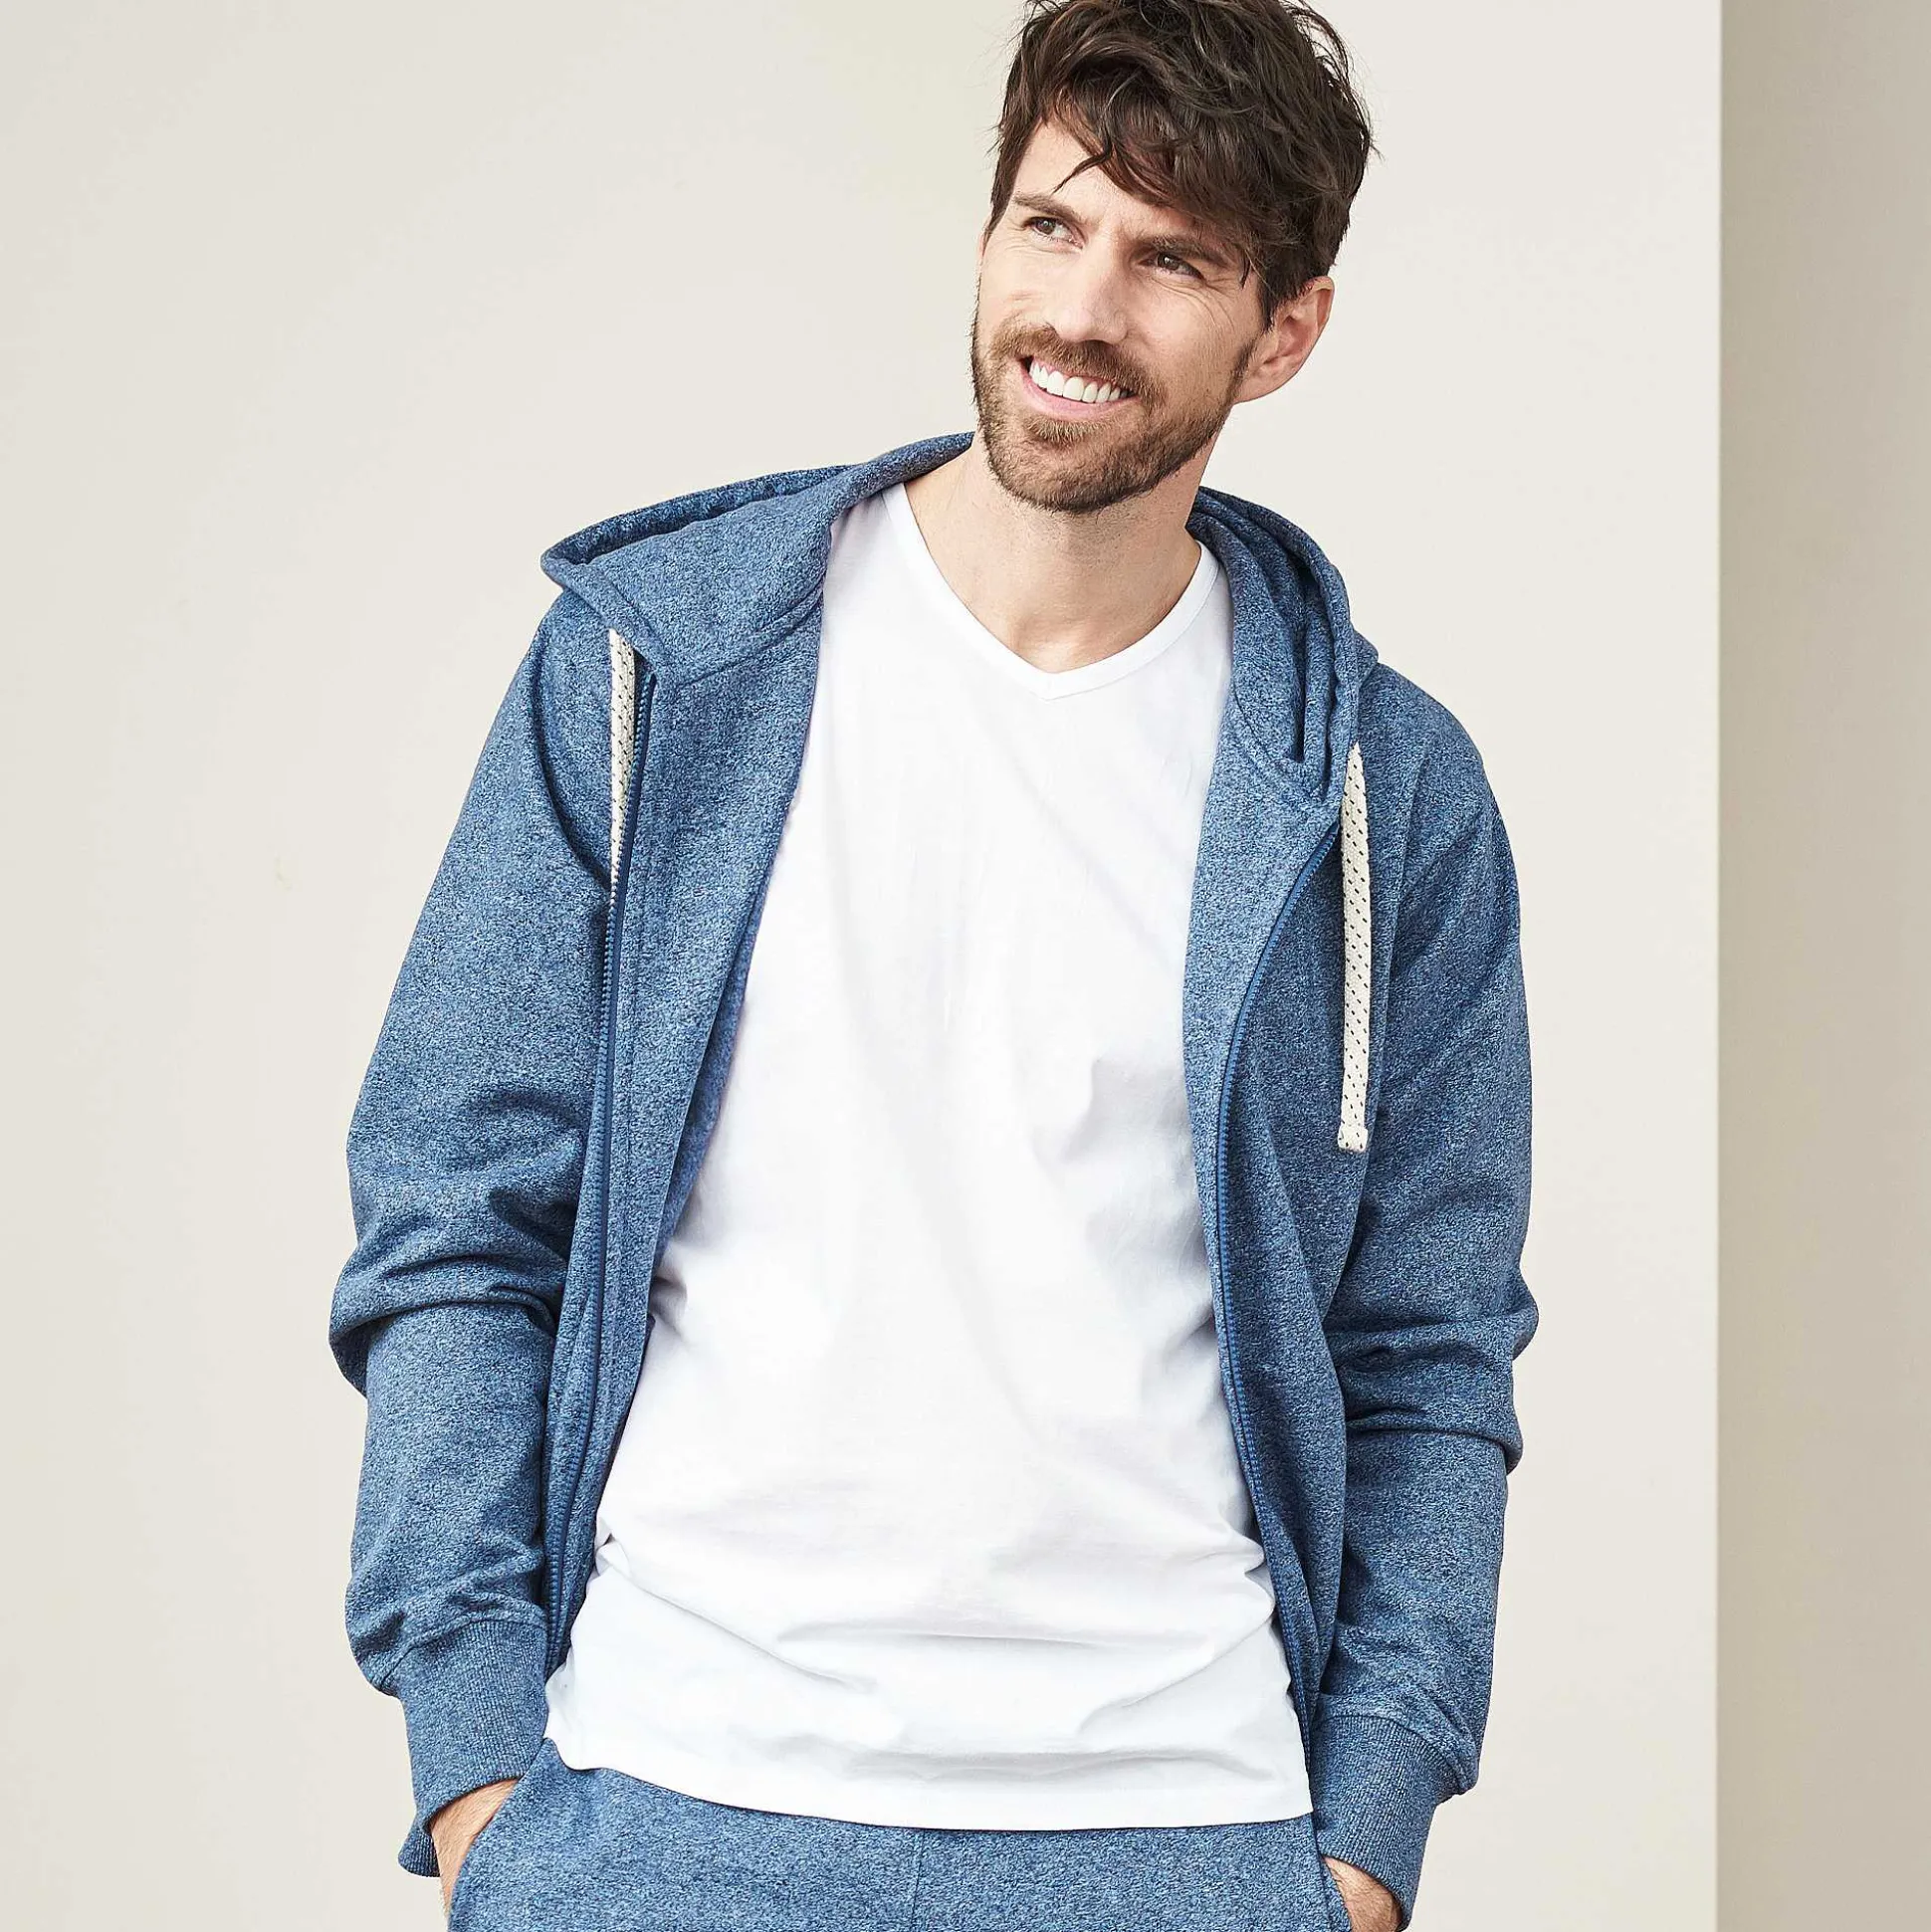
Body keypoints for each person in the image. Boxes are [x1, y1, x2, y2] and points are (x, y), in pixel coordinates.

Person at [327, 3, 1537, 1928]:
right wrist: (481, 1774)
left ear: (1284, 331)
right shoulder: (660, 673)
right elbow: (457, 1219)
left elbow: (1430, 1353)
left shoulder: (1384, 794)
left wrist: (1365, 1835)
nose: (1083, 309)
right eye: (1051, 225)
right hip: (667, 1807)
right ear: (987, 236)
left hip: (1182, 1832)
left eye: (1170, 260)